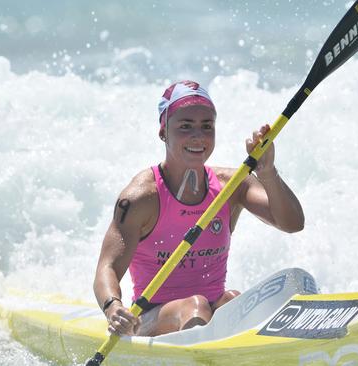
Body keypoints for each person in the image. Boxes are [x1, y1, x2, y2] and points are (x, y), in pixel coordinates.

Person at [93, 80, 304, 336]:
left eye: (207, 126)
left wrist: (267, 171)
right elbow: (108, 267)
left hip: (210, 312)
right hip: (150, 319)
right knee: (196, 306)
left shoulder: (232, 186)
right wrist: (114, 308)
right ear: (163, 132)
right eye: (185, 126)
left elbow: (292, 223)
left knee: (234, 300)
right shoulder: (141, 197)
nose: (198, 136)